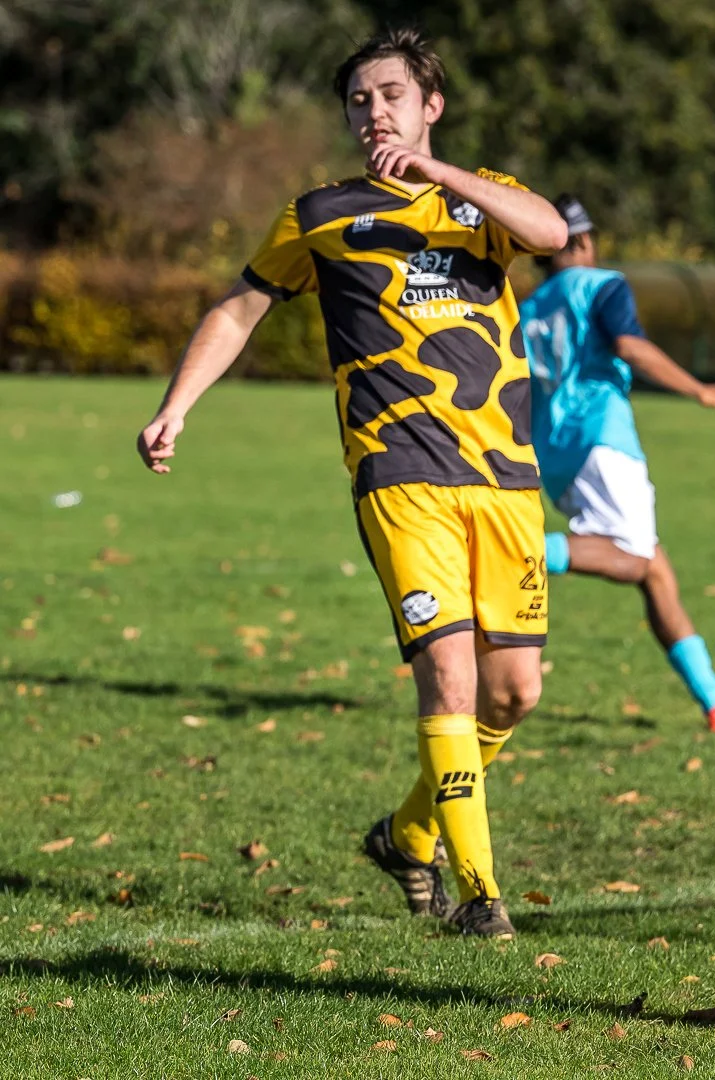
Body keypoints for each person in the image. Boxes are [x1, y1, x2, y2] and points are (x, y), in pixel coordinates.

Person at [135, 28, 570, 940]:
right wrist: (177, 405)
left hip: (506, 474)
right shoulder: (322, 212)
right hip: (399, 472)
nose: (375, 112)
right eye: (359, 101)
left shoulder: (486, 199)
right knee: (449, 679)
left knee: (514, 693)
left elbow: (551, 234)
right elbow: (239, 306)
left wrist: (440, 175)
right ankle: (482, 898)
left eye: (391, 95)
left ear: (430, 106)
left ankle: (410, 833)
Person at [517, 196, 715, 733]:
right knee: (634, 557)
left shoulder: (527, 310)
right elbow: (630, 346)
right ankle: (522, 550)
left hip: (554, 453)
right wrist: (701, 390)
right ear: (583, 240)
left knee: (657, 573)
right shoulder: (601, 284)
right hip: (602, 438)